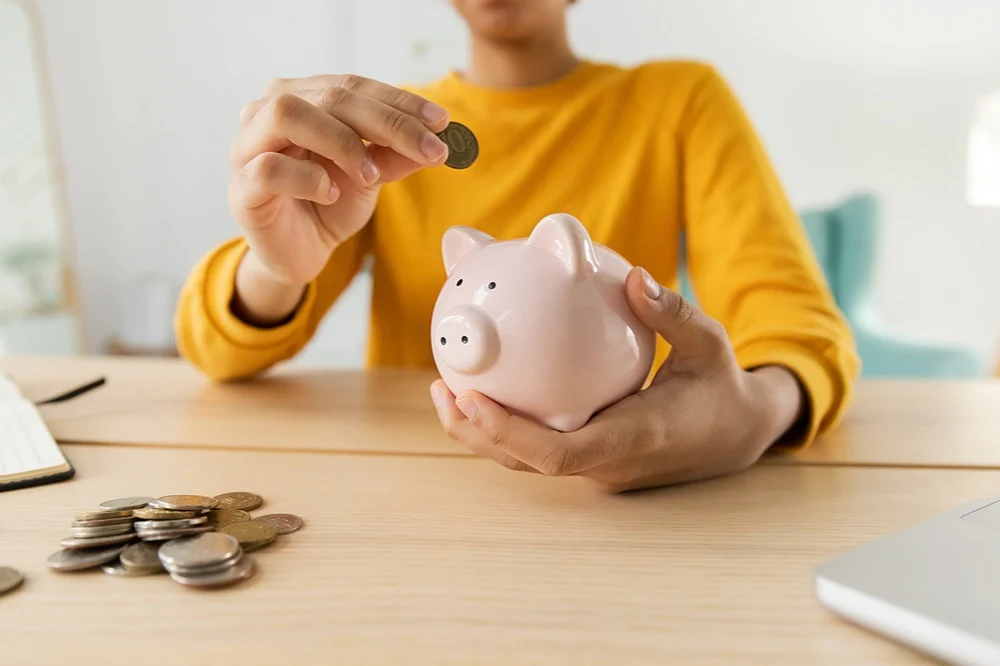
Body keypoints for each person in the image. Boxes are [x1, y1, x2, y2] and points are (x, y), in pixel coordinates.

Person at [174, 0, 859, 493]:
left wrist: (755, 414)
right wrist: (272, 265)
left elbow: (796, 326)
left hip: (620, 513)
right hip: (413, 493)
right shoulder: (380, 140)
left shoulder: (681, 101)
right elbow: (218, 353)